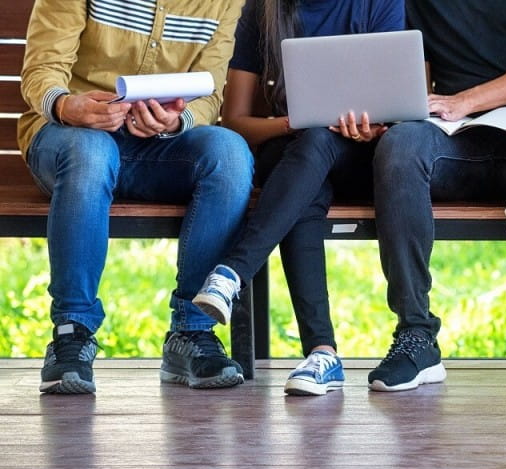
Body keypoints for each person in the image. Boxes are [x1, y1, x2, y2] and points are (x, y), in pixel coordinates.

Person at [19, 0, 252, 394]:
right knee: (93, 152)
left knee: (229, 153)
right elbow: (42, 69)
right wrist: (66, 105)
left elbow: (209, 95)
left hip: (157, 148)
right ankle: (70, 335)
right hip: (68, 141)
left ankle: (191, 332)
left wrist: (177, 120)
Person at [370, 0, 506, 392]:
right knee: (400, 146)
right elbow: (414, 80)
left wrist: (465, 101)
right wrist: (403, 111)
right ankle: (415, 335)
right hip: (456, 139)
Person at [191, 0, 405, 396]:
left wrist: (372, 129)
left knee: (313, 154)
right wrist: (291, 122)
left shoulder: (379, 3)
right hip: (293, 151)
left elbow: (397, 108)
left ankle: (233, 272)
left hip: (363, 158)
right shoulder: (263, 10)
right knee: (310, 161)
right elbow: (236, 122)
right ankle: (322, 355)